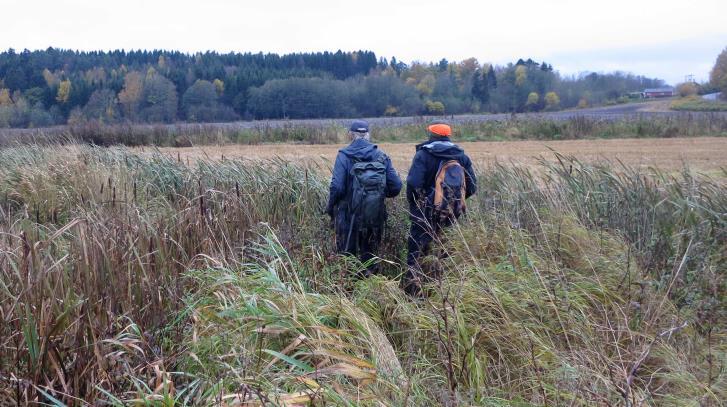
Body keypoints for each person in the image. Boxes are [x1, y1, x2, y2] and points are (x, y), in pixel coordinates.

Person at [404, 120, 477, 295]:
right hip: (450, 216)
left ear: (431, 135)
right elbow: (472, 186)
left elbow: (413, 183)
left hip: (423, 214)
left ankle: (413, 294)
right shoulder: (461, 156)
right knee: (444, 253)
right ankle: (441, 292)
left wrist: (417, 205)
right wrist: (453, 203)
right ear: (448, 136)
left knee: (417, 253)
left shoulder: (423, 155)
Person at [326, 120, 402, 275]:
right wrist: (376, 194)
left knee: (347, 260)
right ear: (368, 135)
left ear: (351, 135)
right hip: (374, 216)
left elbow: (337, 187)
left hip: (347, 216)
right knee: (370, 258)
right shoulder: (381, 156)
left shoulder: (344, 156)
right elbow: (396, 187)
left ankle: (348, 294)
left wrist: (330, 208)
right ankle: (370, 291)